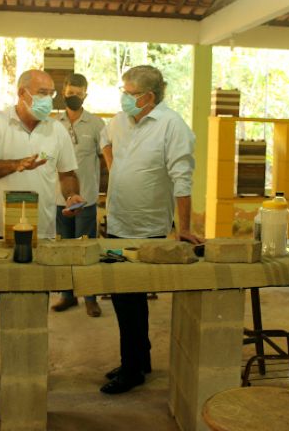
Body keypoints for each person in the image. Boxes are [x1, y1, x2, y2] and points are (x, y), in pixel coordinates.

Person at [0, 69, 84, 394]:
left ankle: (28, 365)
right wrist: (17, 164)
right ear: (22, 93)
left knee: (33, 300)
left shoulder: (56, 130)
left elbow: (68, 172)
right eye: (41, 92)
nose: (49, 99)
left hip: (40, 233)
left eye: (51, 93)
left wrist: (71, 195)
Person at [99, 65, 203, 394]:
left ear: (150, 97)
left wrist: (182, 228)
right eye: (123, 91)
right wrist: (117, 170)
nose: (123, 97)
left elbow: (182, 178)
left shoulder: (173, 126)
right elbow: (104, 141)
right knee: (121, 295)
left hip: (148, 228)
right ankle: (138, 358)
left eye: (129, 93)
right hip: (116, 225)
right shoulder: (117, 121)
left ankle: (132, 369)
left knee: (133, 295)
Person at [51, 73, 105, 317]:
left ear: (86, 95)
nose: (74, 97)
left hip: (87, 201)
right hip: (57, 199)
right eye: (70, 93)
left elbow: (105, 159)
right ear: (64, 93)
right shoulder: (52, 124)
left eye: (79, 94)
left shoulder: (96, 124)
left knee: (86, 250)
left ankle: (90, 298)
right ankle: (67, 296)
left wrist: (92, 185)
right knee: (63, 249)